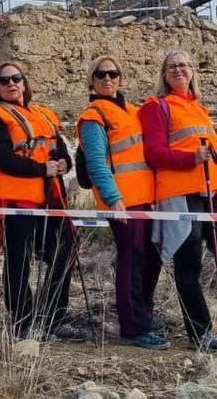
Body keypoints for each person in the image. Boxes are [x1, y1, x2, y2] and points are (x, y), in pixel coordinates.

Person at [139, 51, 217, 352]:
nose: (178, 70)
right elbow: (154, 153)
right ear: (164, 75)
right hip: (181, 195)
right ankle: (201, 334)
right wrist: (191, 158)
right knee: (189, 265)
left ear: (193, 71)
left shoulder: (199, 109)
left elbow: (210, 153)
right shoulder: (156, 107)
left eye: (183, 65)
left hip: (216, 194)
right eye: (172, 66)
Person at [0, 61, 87, 342]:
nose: (11, 84)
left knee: (65, 249)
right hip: (14, 200)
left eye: (16, 78)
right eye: (4, 81)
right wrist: (42, 169)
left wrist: (64, 163)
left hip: (49, 199)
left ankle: (53, 316)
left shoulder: (44, 114)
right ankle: (23, 322)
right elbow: (1, 158)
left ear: (24, 83)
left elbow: (60, 149)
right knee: (19, 262)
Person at [77, 56, 167, 350]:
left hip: (146, 199)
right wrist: (114, 199)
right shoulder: (93, 116)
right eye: (100, 74)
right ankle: (132, 327)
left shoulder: (133, 111)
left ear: (120, 77)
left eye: (113, 73)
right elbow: (95, 162)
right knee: (133, 258)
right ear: (92, 80)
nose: (107, 79)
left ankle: (144, 315)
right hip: (123, 201)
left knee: (151, 258)